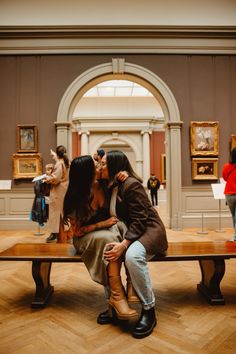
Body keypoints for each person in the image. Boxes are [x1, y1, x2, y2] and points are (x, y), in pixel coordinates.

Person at [100, 150, 168, 339]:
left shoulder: (131, 184)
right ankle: (113, 305)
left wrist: (124, 244)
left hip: (150, 230)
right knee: (106, 252)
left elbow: (140, 219)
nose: (101, 166)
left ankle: (149, 309)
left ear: (114, 165)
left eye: (104, 163)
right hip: (133, 232)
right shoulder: (111, 184)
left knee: (132, 256)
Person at [63, 155, 137, 321]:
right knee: (107, 240)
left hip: (108, 231)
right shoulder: (75, 197)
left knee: (122, 228)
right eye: (95, 166)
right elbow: (77, 232)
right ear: (86, 174)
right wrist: (101, 224)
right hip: (85, 237)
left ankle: (129, 286)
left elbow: (119, 179)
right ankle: (117, 297)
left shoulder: (105, 185)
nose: (99, 167)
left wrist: (124, 175)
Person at [44, 145, 70, 243]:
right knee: (62, 212)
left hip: (58, 191)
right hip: (63, 189)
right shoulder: (65, 162)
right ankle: (61, 234)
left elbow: (56, 178)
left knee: (57, 213)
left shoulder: (60, 163)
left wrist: (46, 178)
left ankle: (58, 235)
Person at [222, 147, 236, 242]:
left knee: (233, 215)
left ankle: (235, 236)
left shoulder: (226, 166)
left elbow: (225, 178)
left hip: (229, 193)